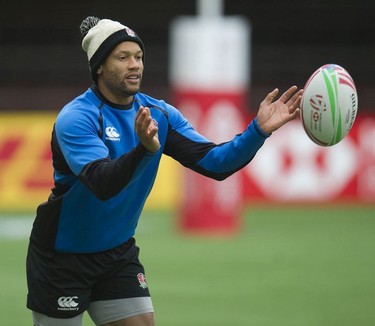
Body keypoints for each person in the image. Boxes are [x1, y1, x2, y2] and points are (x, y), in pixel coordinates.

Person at [26, 16, 302, 326]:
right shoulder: (77, 118)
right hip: (62, 257)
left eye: (139, 56)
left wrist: (258, 131)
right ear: (99, 66)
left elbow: (215, 163)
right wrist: (144, 149)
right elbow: (102, 183)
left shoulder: (159, 113)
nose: (135, 65)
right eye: (123, 57)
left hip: (116, 254)